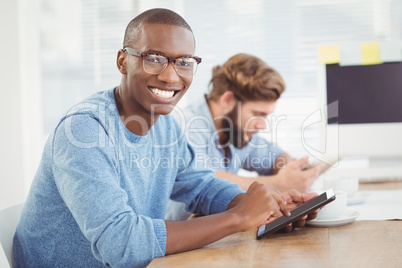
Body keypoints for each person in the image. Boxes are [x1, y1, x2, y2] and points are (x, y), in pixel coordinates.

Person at [13, 9, 318, 268]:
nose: (171, 77)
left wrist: (267, 206)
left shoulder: (165, 126)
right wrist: (239, 217)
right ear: (122, 61)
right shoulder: (84, 130)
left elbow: (200, 185)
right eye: (154, 58)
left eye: (184, 62)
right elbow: (120, 244)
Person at [166, 54, 324, 221]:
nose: (262, 125)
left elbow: (274, 156)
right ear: (228, 100)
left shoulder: (236, 129)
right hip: (178, 238)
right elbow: (205, 181)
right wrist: (279, 184)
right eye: (257, 114)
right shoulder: (186, 126)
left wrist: (293, 171)